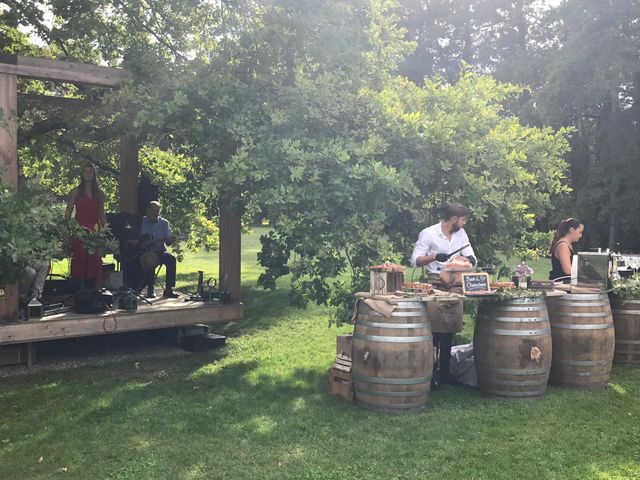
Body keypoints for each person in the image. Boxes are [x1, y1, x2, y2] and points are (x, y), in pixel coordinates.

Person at [410, 203, 477, 387]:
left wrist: (469, 259)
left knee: (450, 328)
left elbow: (471, 255)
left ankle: (445, 371)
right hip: (436, 284)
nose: (464, 224)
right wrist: (434, 257)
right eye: (463, 220)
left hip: (455, 284)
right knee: (435, 329)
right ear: (453, 219)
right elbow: (415, 260)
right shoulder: (429, 233)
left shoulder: (461, 234)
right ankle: (430, 371)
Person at [65, 164, 106, 289]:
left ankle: (96, 289)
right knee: (80, 259)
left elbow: (101, 213)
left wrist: (104, 230)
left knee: (96, 260)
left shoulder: (99, 193)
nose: (88, 174)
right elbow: (68, 211)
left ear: (94, 174)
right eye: (86, 171)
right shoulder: (75, 191)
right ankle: (81, 290)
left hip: (95, 229)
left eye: (90, 172)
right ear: (82, 174)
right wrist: (68, 229)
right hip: (79, 229)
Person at [139, 201, 178, 298]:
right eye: (153, 210)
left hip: (160, 252)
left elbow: (168, 243)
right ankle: (150, 288)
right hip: (145, 252)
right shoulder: (140, 221)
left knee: (171, 259)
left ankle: (169, 289)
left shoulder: (164, 223)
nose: (155, 213)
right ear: (148, 210)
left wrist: (171, 240)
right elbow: (138, 240)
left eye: (157, 210)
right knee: (151, 259)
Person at [548, 218, 584, 283]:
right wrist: (585, 274)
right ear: (572, 230)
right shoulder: (563, 246)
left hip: (567, 283)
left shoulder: (568, 245)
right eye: (580, 232)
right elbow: (567, 270)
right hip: (561, 285)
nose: (581, 235)